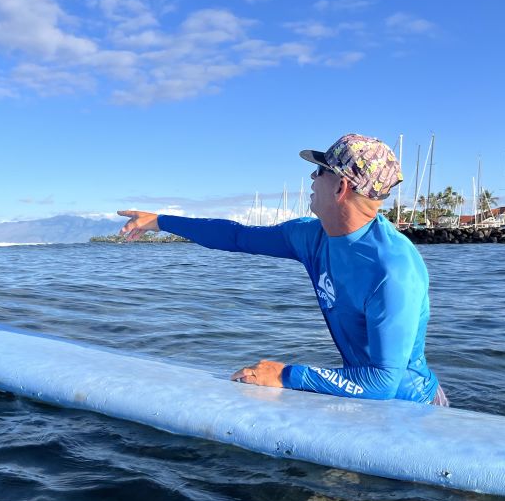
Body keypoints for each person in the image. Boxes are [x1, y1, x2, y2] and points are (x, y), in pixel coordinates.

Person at [118, 133, 447, 406]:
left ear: (340, 188)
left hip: (414, 407)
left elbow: (382, 383)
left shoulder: (392, 268)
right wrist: (159, 221)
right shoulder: (310, 236)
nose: (311, 178)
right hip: (360, 395)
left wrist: (284, 374)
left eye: (320, 171)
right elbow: (236, 236)